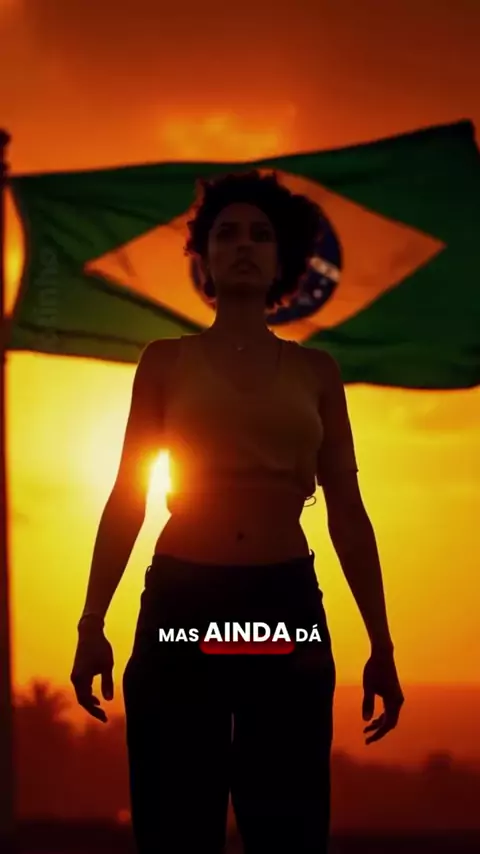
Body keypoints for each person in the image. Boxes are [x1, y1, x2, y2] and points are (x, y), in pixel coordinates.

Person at [71, 170, 404, 854]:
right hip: (183, 606)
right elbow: (128, 495)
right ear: (205, 259)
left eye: (260, 235)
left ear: (284, 261)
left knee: (288, 823)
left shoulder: (317, 373)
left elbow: (348, 511)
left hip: (283, 606)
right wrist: (91, 623)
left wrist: (382, 644)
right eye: (226, 234)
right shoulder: (165, 362)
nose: (243, 245)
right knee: (175, 821)